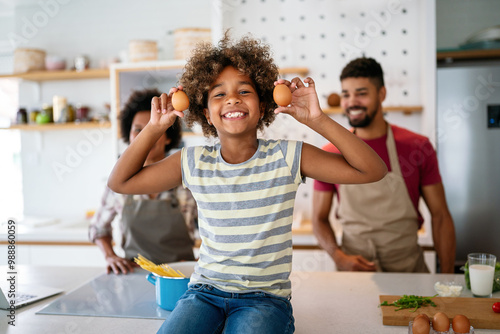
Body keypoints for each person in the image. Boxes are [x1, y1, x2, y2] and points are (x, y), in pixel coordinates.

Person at [107, 33, 387, 334]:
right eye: (219, 94)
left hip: (264, 300)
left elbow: (372, 170)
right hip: (204, 294)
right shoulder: (193, 162)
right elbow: (120, 181)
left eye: (244, 90)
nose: (232, 99)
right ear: (206, 114)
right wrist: (153, 129)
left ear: (264, 106)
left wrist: (316, 120)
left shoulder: (289, 156)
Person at [312, 57, 456, 273]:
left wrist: (447, 279)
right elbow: (319, 219)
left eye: (361, 93)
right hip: (354, 274)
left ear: (382, 94)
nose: (352, 102)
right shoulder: (331, 153)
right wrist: (339, 257)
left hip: (408, 272)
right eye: (346, 94)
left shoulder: (417, 147)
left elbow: (441, 216)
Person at [89, 89, 197, 275]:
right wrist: (110, 256)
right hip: (134, 275)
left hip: (180, 277)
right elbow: (98, 229)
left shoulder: (187, 179)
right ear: (128, 134)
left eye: (154, 128)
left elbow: (212, 232)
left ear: (168, 136)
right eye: (138, 130)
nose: (144, 136)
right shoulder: (117, 184)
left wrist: (201, 262)